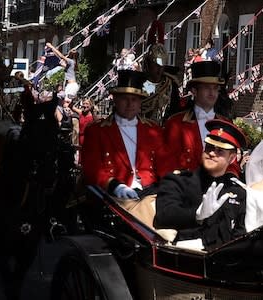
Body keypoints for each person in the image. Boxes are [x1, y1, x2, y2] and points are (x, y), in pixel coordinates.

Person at [154, 119, 248, 250]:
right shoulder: (179, 181)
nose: (211, 153)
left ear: (231, 158)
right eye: (209, 147)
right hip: (184, 256)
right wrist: (196, 215)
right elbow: (163, 216)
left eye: (220, 151)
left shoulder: (237, 192)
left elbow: (239, 235)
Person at [82, 70, 172, 200]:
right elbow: (91, 168)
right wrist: (114, 185)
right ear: (116, 100)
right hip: (114, 195)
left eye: (134, 99)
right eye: (125, 99)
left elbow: (164, 164)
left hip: (150, 193)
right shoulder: (97, 131)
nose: (130, 104)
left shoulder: (153, 130)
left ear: (140, 103)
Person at [164, 60, 239, 176]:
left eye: (215, 88)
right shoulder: (176, 123)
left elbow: (232, 163)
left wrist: (228, 180)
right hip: (185, 186)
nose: (212, 93)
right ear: (194, 90)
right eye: (207, 88)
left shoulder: (226, 124)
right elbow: (167, 163)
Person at [141, 20, 182, 124]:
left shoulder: (170, 84)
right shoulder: (138, 83)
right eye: (156, 65)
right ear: (148, 64)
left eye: (162, 66)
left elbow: (175, 110)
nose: (159, 70)